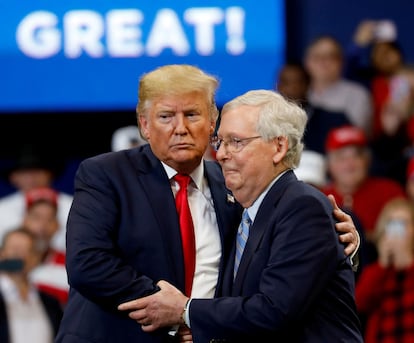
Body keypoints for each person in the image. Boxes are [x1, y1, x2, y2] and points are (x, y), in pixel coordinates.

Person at [55, 65, 360, 343]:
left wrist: (340, 244)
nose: (180, 128)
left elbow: (276, 257)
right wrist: (175, 311)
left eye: (191, 115)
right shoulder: (106, 174)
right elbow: (87, 263)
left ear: (212, 121)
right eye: (165, 117)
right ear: (144, 125)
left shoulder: (234, 185)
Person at [355, 197, 414, 343]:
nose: (396, 232)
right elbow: (360, 303)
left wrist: (408, 263)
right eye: (391, 224)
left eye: (403, 224)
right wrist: (383, 264)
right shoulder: (377, 270)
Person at [0, 145, 73, 252]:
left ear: (50, 174)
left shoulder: (73, 205)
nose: (31, 178)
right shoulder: (2, 208)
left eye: (37, 171)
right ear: (13, 177)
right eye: (24, 172)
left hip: (62, 266)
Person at [0, 227, 63, 343]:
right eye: (16, 249)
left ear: (36, 258)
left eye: (28, 250)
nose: (22, 256)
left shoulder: (51, 303)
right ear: (2, 254)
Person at [304, 35, 373, 138]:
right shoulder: (297, 94)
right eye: (317, 57)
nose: (323, 62)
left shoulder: (357, 94)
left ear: (341, 62)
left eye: (330, 56)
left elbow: (356, 136)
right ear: (307, 62)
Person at [22, 187, 69, 307]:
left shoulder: (71, 264)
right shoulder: (5, 260)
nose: (42, 226)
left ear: (57, 226)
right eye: (36, 217)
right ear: (24, 221)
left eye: (49, 219)